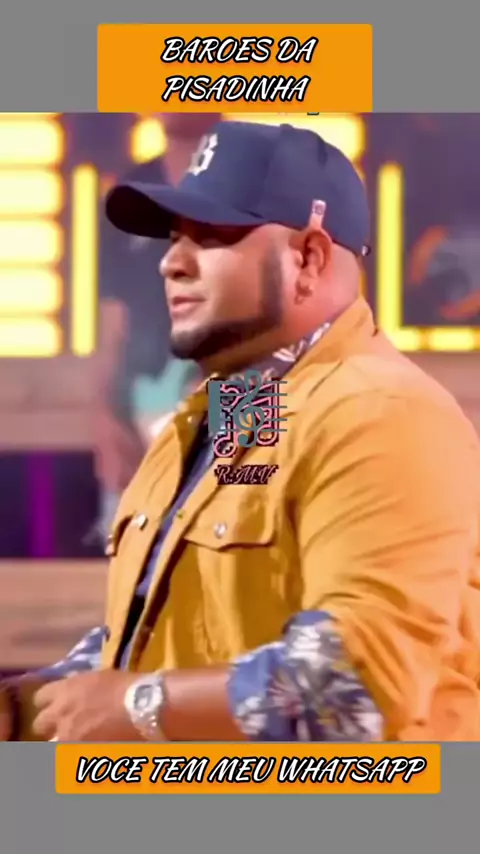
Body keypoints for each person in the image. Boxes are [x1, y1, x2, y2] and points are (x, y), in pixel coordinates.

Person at [2, 119, 480, 743]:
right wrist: (21, 712)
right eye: (175, 238)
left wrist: (138, 706)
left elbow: (352, 684)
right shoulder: (233, 407)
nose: (172, 262)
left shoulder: (382, 414)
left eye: (210, 236)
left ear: (308, 257)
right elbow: (157, 636)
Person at [93, 113, 221, 542]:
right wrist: (104, 417)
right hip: (141, 414)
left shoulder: (251, 185)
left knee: (236, 547)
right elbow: (112, 322)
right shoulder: (130, 192)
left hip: (231, 397)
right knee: (131, 554)